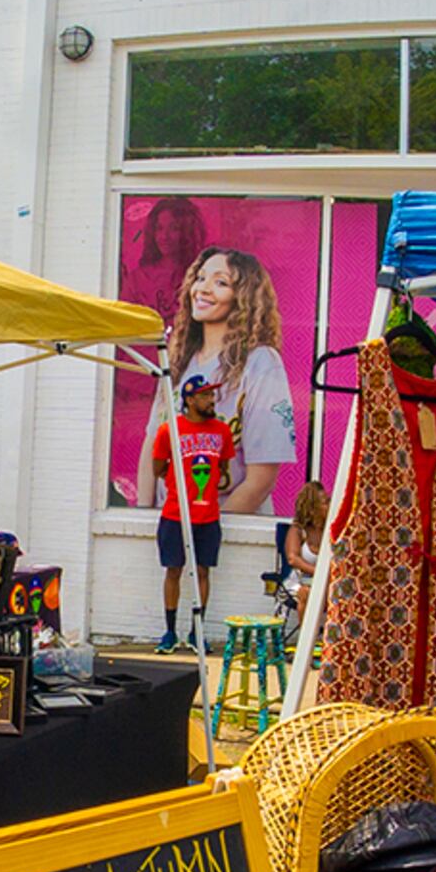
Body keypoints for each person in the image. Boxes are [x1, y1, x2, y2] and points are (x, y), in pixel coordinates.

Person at [134, 246, 298, 517]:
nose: (203, 289)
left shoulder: (260, 363)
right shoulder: (179, 361)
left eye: (220, 282)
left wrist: (208, 532)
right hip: (170, 525)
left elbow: (261, 480)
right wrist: (142, 516)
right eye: (200, 278)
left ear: (243, 297)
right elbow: (152, 444)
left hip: (226, 533)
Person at [142, 374, 235, 652]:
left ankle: (197, 632)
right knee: (173, 570)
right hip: (175, 514)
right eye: (205, 395)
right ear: (190, 399)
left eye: (212, 395)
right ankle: (170, 632)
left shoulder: (222, 431)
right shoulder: (168, 430)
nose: (211, 400)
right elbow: (157, 469)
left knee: (203, 571)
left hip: (208, 516)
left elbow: (224, 469)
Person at [278, 479, 330, 613]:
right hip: (299, 582)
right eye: (325, 502)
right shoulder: (298, 530)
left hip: (325, 584)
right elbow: (292, 558)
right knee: (306, 594)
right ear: (312, 509)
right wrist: (319, 573)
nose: (330, 505)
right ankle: (306, 634)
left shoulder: (330, 531)